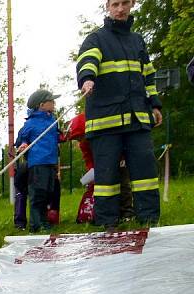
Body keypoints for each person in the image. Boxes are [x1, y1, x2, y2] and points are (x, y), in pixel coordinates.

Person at [77, 0, 162, 229]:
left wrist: (155, 105)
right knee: (107, 177)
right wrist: (87, 79)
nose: (120, 9)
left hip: (138, 119)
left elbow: (148, 76)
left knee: (146, 174)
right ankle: (108, 224)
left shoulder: (137, 41)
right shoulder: (96, 39)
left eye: (125, 3)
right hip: (106, 122)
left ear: (132, 4)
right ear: (107, 6)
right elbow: (87, 61)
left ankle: (149, 221)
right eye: (115, 4)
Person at [16, 89, 62, 232]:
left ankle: (44, 220)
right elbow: (21, 138)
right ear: (42, 105)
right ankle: (36, 224)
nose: (54, 103)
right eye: (51, 101)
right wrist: (23, 143)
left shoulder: (53, 121)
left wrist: (63, 135)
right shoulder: (31, 123)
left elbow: (56, 138)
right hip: (37, 163)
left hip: (51, 162)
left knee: (49, 192)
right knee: (38, 194)